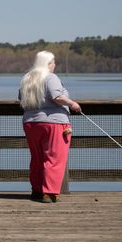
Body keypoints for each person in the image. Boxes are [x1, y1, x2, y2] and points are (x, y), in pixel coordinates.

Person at [18, 51, 81, 203]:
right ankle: (50, 192)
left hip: (31, 123)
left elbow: (21, 98)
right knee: (54, 157)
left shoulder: (27, 78)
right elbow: (57, 97)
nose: (55, 65)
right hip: (54, 123)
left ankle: (37, 189)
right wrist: (72, 104)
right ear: (47, 64)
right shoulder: (51, 77)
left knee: (37, 157)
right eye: (53, 62)